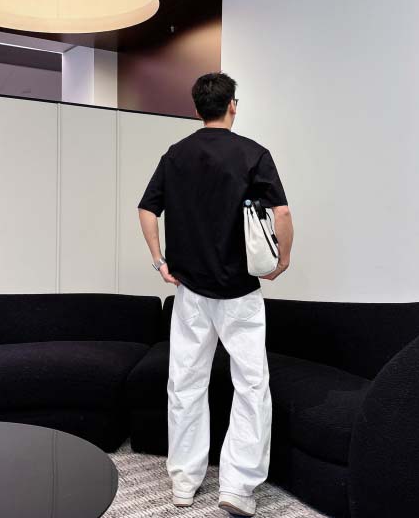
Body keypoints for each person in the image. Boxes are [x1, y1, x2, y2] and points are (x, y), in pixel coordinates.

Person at [137, 71, 294, 517]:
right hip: (240, 292)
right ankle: (238, 488)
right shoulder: (253, 153)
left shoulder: (176, 154)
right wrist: (281, 260)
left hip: (190, 293)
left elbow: (147, 210)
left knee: (185, 384)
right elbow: (282, 213)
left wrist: (160, 261)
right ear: (232, 105)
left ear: (196, 109)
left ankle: (183, 484)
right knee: (251, 386)